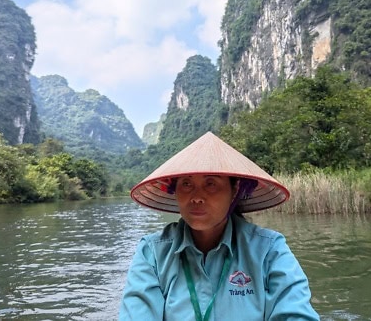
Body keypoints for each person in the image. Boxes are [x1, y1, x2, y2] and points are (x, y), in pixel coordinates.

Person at [119, 131, 319, 321]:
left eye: (211, 184)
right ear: (176, 190)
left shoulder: (269, 250)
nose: (197, 197)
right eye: (187, 184)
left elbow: (296, 314)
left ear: (234, 191)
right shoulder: (153, 253)